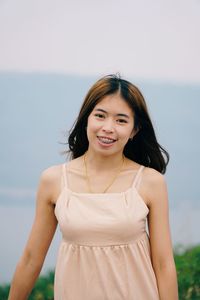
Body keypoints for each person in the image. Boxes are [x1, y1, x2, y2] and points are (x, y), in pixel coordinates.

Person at [8, 74, 178, 300]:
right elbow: (31, 259)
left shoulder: (150, 182)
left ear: (134, 130)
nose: (108, 128)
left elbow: (163, 263)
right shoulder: (54, 180)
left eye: (121, 120)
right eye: (100, 116)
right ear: (86, 119)